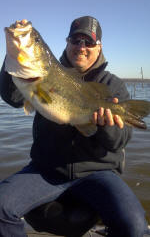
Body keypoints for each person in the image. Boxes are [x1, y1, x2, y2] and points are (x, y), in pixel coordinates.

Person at [0, 16, 149, 237]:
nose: (81, 47)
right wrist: (14, 53)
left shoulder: (113, 85)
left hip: (98, 172)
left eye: (88, 42)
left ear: (99, 47)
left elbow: (118, 142)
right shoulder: (43, 72)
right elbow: (12, 97)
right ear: (67, 43)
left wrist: (104, 125)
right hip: (46, 169)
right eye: (76, 40)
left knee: (135, 228)